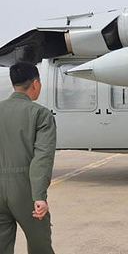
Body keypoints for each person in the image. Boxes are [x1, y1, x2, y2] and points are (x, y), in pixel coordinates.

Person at [0, 62, 57, 254]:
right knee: (40, 247)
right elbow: (42, 158)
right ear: (35, 83)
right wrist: (39, 196)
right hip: (25, 189)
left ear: (13, 84)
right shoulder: (40, 114)